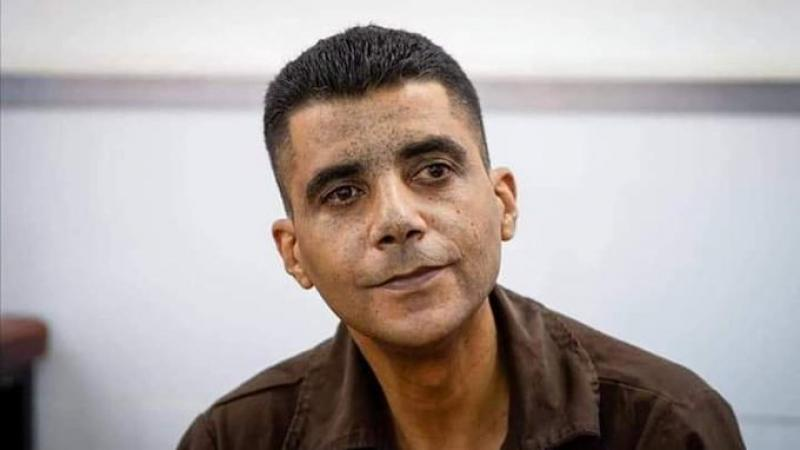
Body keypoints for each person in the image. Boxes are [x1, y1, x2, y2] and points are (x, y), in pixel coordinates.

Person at [178, 25, 745, 450]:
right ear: (294, 253)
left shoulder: (666, 427)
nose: (397, 220)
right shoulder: (233, 439)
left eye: (434, 170)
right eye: (343, 193)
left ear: (504, 203)